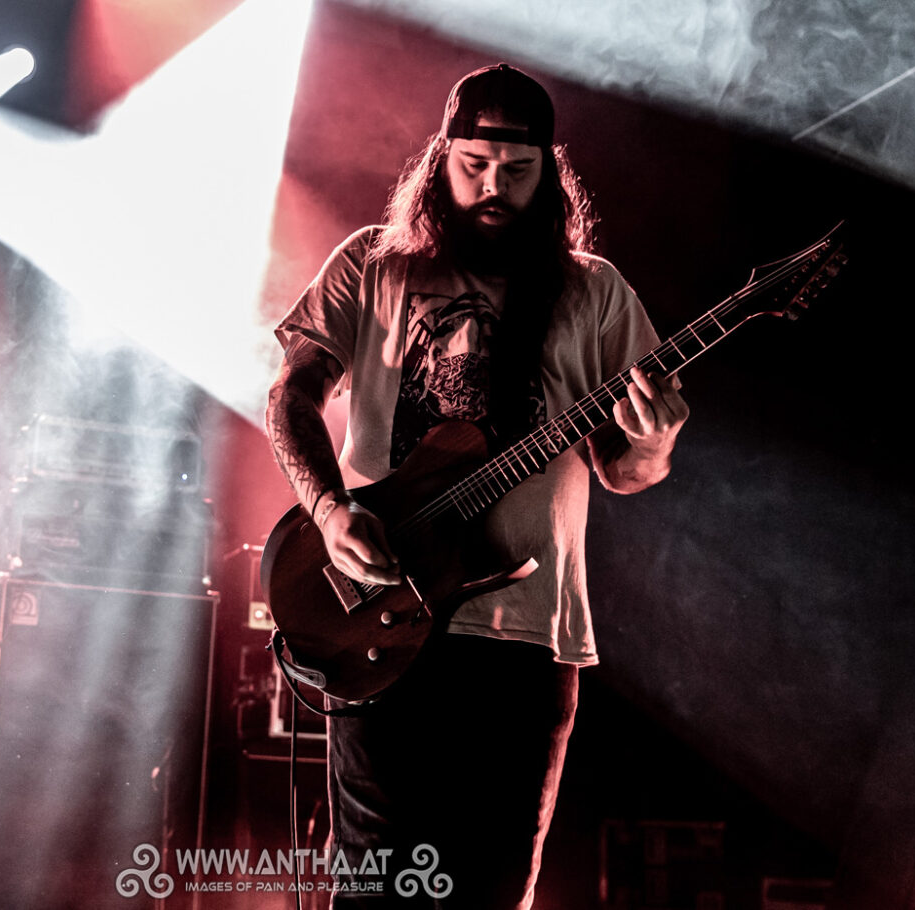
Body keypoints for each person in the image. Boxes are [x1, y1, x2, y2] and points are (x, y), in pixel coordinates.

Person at [265, 65, 687, 907]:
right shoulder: (372, 266)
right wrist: (329, 509)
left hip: (526, 639)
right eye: (473, 166)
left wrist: (654, 439)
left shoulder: (594, 292)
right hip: (382, 623)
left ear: (549, 174)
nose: (493, 187)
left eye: (516, 171)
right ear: (439, 160)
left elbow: (625, 471)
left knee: (494, 894)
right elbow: (291, 395)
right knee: (376, 893)